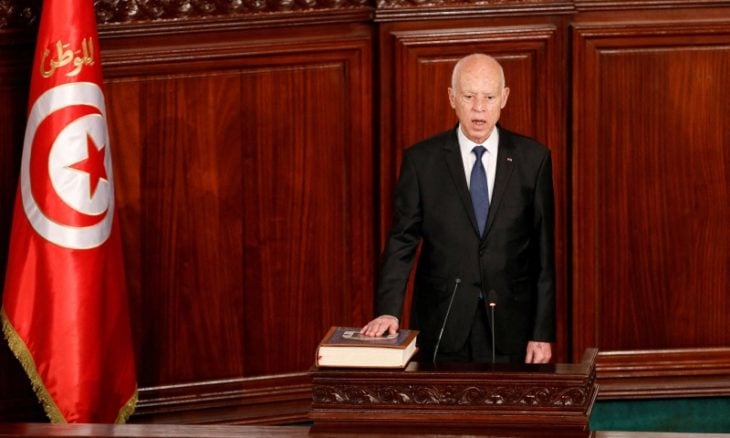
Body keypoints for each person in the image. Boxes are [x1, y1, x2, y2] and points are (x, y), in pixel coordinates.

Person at [361, 53, 555, 364]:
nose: (479, 107)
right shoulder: (421, 161)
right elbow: (401, 241)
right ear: (452, 98)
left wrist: (541, 332)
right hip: (442, 321)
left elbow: (543, 253)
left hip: (511, 324)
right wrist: (388, 311)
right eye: (468, 96)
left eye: (489, 97)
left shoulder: (533, 159)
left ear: (504, 97)